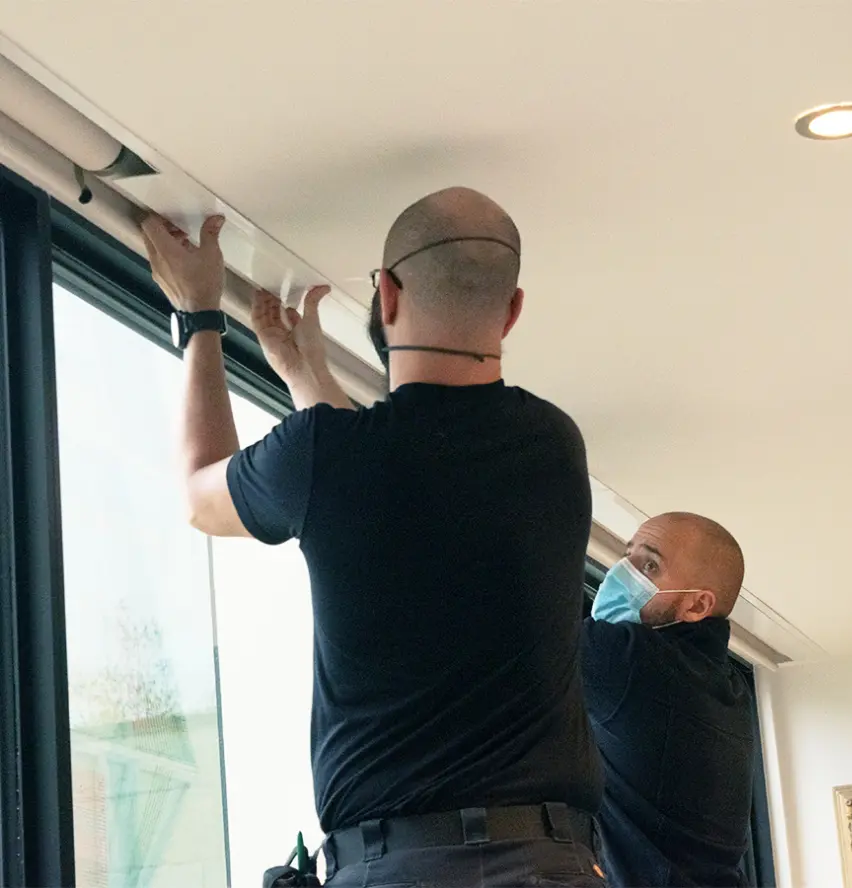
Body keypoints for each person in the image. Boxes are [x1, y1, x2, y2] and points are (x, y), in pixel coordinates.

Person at [141, 187, 606, 887]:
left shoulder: (330, 456)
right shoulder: (554, 447)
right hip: (550, 863)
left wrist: (200, 316)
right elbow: (396, 481)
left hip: (397, 868)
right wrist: (306, 378)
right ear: (511, 314)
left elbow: (201, 496)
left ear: (386, 296)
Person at [581, 512, 754, 888]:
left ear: (695, 606)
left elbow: (519, 635)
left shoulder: (632, 662)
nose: (621, 573)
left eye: (649, 565)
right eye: (627, 557)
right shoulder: (730, 689)